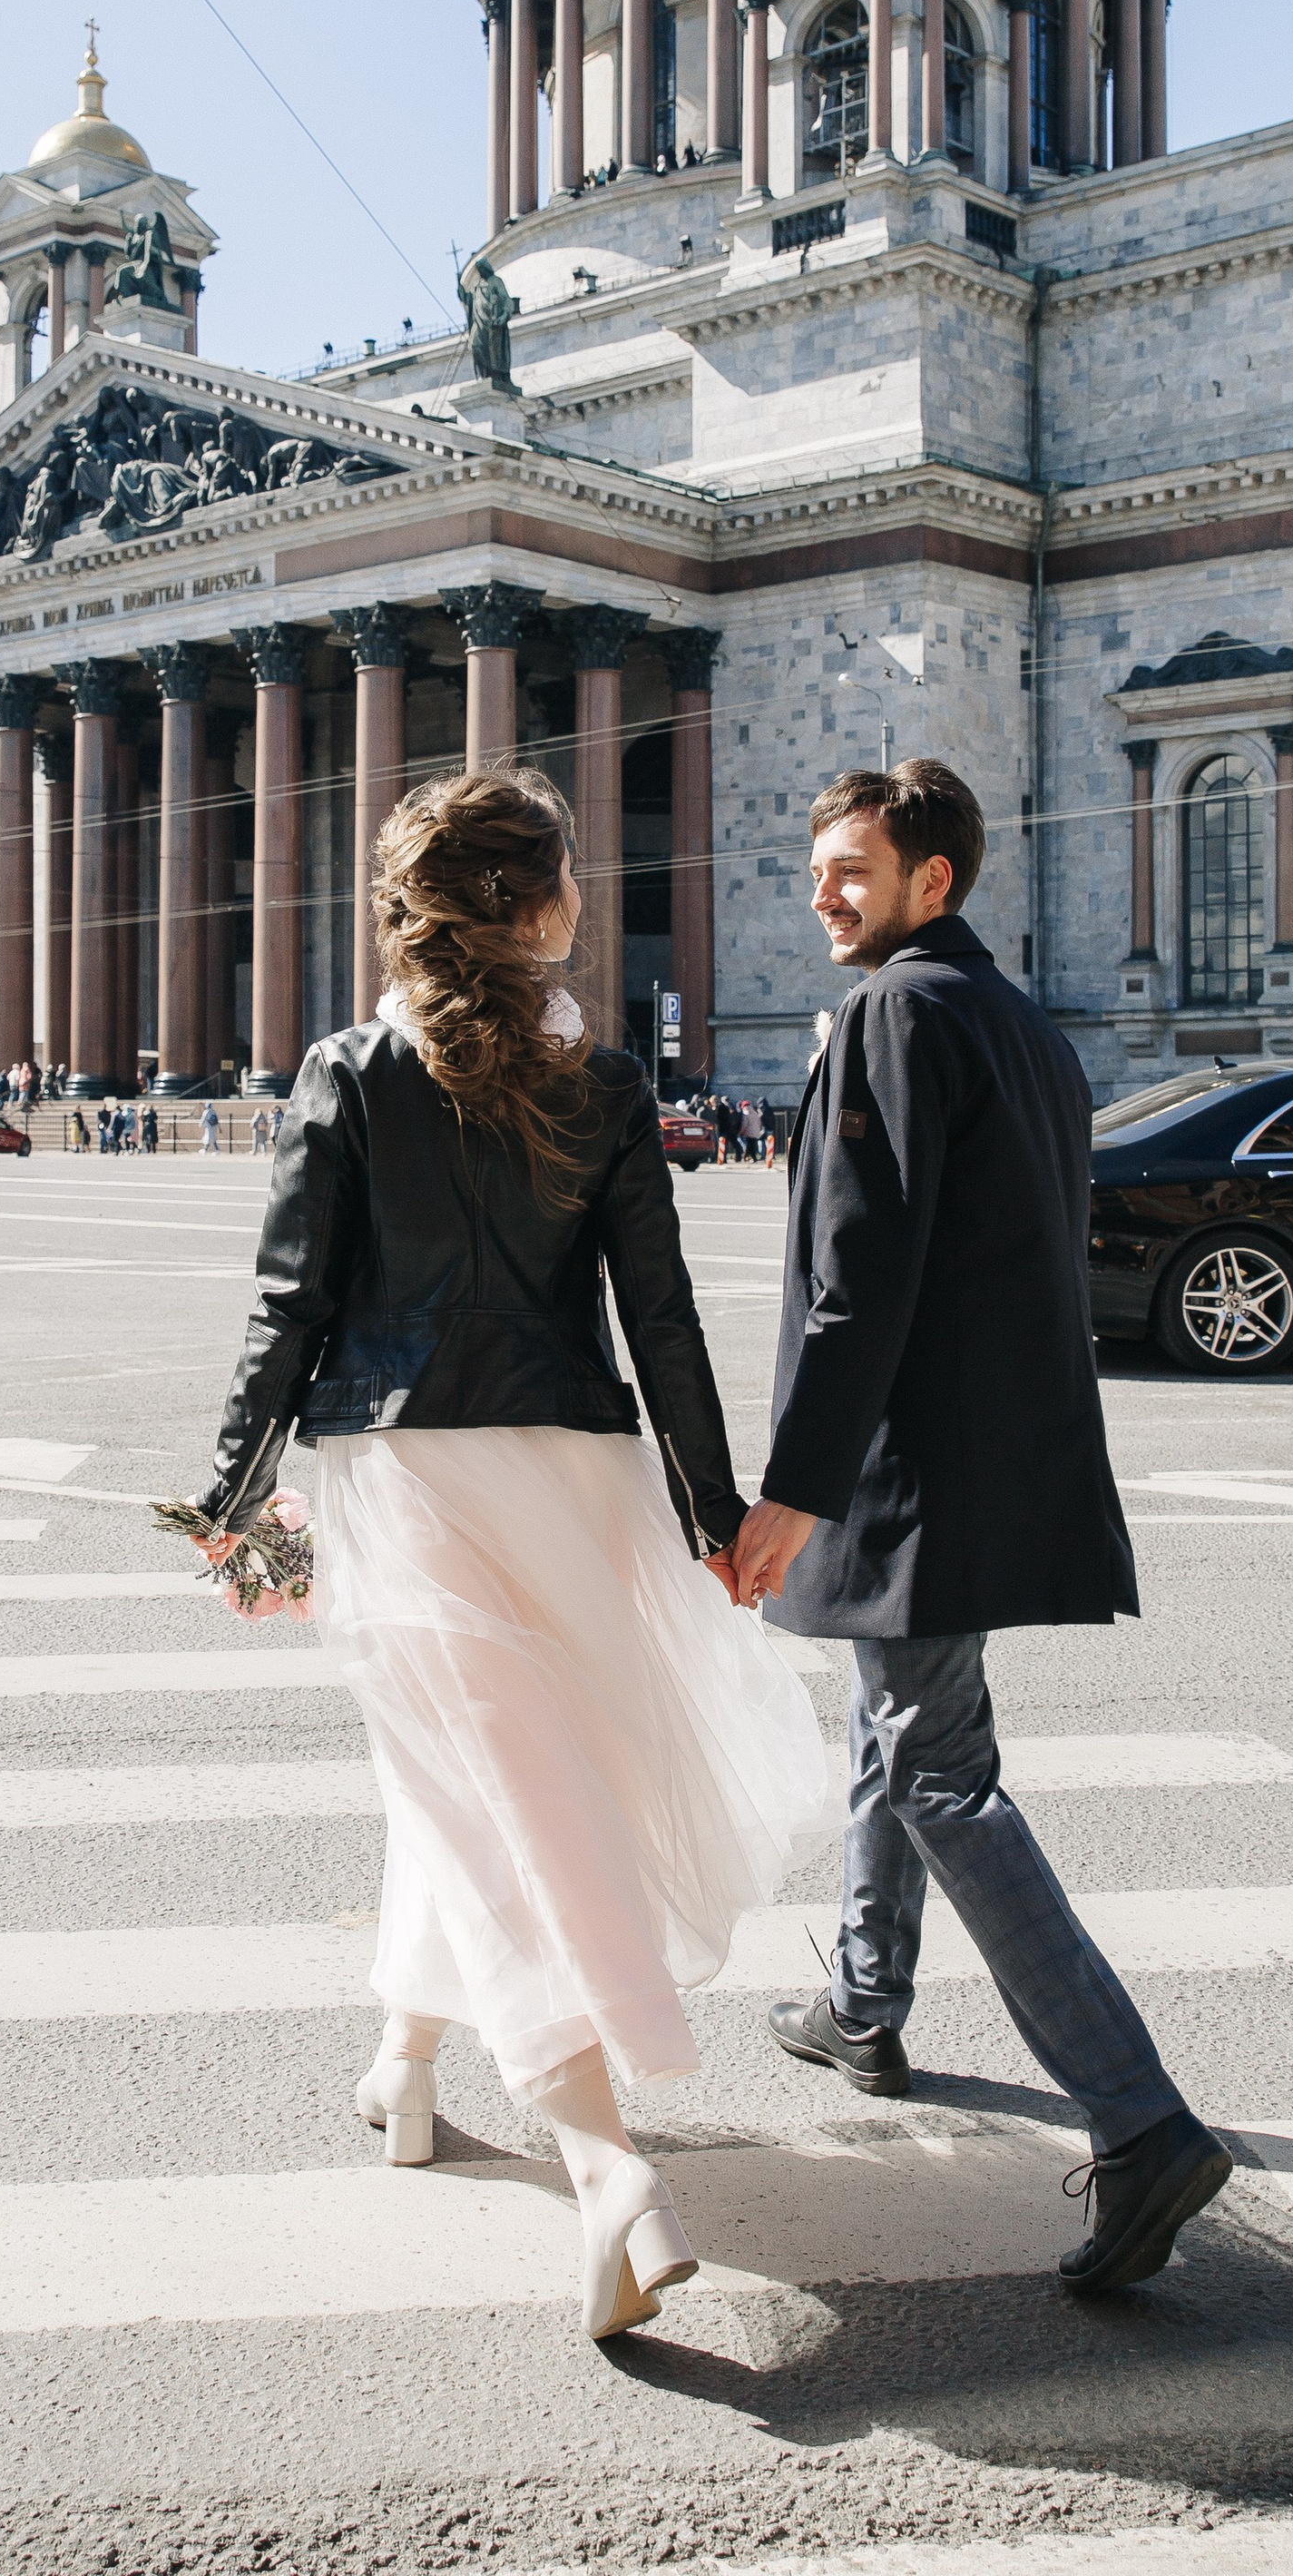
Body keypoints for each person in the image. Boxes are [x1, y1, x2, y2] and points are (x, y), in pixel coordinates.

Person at [189, 766, 829, 2344]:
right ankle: (406, 2066)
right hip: (575, 1472)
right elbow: (660, 1316)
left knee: (490, 1801)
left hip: (406, 1474)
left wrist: (229, 1494)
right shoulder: (602, 1080)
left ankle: (609, 2169)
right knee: (495, 1782)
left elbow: (290, 1306)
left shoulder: (348, 1072)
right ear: (540, 908)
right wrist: (712, 1510)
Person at [733, 759, 1232, 2298]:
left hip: (910, 1464)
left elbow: (857, 1275)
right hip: (1002, 1450)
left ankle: (1138, 2117)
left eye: (853, 869)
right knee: (898, 1729)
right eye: (819, 865)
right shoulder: (1022, 1023)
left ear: (931, 880)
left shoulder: (893, 1013)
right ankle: (863, 2001)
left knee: (941, 1771)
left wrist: (795, 1489)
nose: (823, 890)